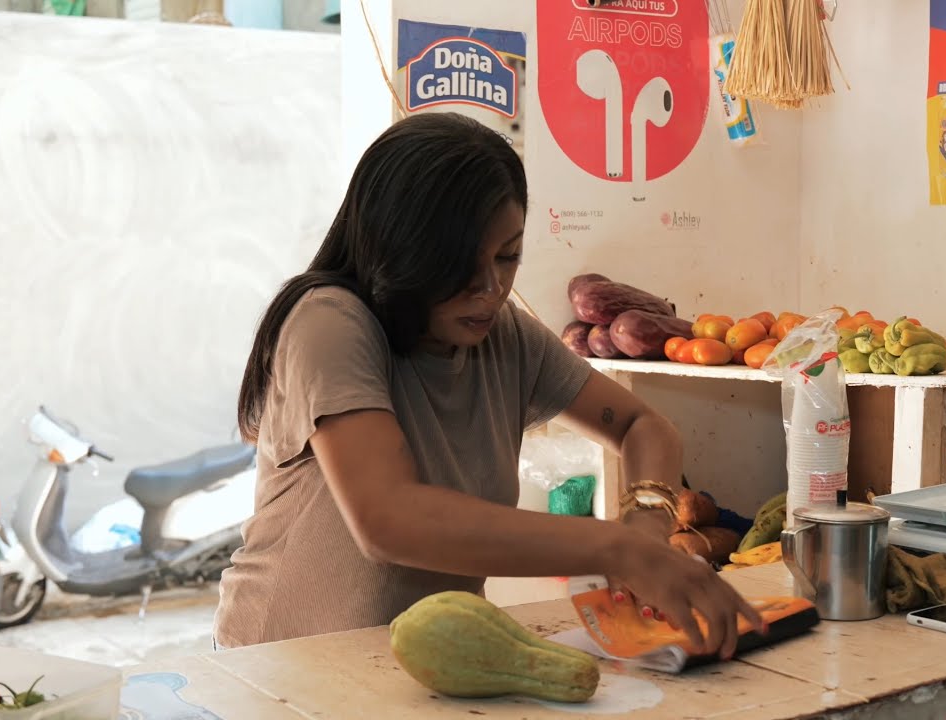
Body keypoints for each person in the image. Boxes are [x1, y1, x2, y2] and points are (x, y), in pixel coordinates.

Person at [214, 112, 763, 656]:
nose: (491, 288)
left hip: (421, 670)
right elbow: (388, 519)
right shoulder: (329, 321)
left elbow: (646, 426)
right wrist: (616, 549)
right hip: (279, 670)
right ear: (401, 254)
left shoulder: (506, 337)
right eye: (459, 266)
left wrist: (646, 528)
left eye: (508, 256)